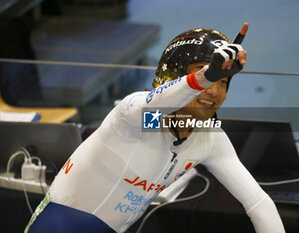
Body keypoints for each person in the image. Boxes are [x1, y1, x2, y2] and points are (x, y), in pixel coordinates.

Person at [25, 23, 285, 233]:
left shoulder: (210, 139)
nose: (215, 90)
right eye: (209, 75)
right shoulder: (133, 118)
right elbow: (156, 105)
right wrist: (204, 76)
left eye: (224, 81)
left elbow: (259, 204)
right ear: (172, 77)